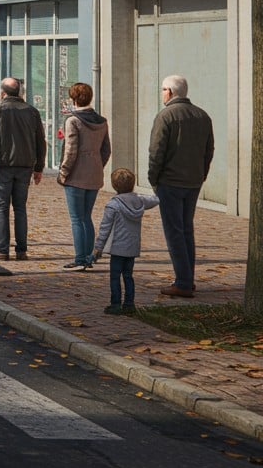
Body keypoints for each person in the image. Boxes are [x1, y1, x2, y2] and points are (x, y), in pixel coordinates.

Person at [148, 74, 214, 298]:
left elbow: (157, 151)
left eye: (162, 90)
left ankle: (183, 282)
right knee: (186, 230)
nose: (161, 94)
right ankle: (187, 277)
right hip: (193, 181)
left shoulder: (166, 116)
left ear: (169, 92)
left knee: (174, 231)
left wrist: (153, 178)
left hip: (170, 181)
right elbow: (209, 150)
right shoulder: (202, 116)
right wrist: (201, 174)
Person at [0, 77, 46, 260]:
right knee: (20, 208)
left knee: (2, 208)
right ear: (19, 92)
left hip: (2, 166)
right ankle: (21, 250)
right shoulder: (32, 112)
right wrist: (39, 167)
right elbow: (40, 141)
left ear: (2, 93)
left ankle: (2, 249)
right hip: (25, 166)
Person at [57, 82, 112, 271]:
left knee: (76, 218)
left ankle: (80, 259)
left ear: (74, 99)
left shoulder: (73, 121)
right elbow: (106, 150)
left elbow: (71, 151)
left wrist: (63, 173)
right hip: (94, 174)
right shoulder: (102, 121)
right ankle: (89, 257)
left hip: (76, 175)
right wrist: (97, 165)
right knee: (86, 217)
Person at [92, 168, 159, 315]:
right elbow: (155, 200)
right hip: (132, 248)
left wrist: (98, 248)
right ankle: (129, 304)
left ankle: (115, 304)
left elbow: (105, 228)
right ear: (133, 184)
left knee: (115, 276)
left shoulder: (113, 205)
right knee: (128, 276)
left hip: (117, 248)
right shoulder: (139, 200)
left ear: (114, 186)